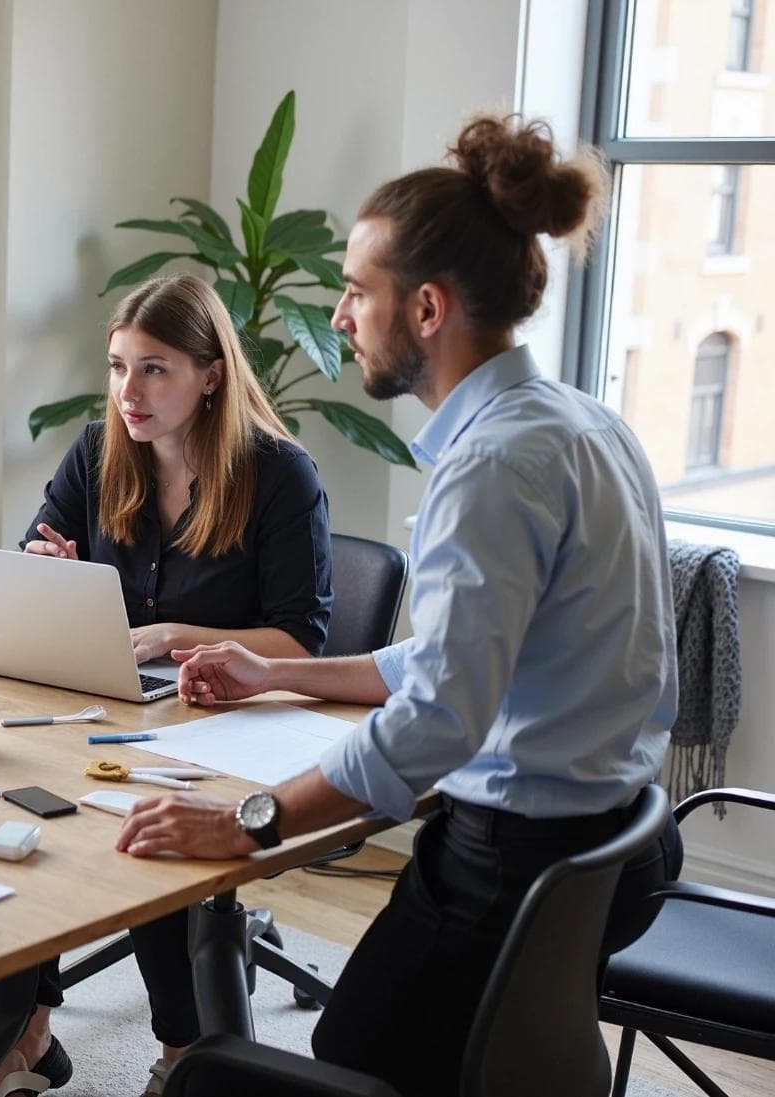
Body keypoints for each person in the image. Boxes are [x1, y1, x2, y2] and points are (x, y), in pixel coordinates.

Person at [122, 114, 683, 1097]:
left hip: (513, 868)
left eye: (356, 289)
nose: (338, 314)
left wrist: (251, 820)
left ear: (426, 307)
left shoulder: (495, 465)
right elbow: (455, 659)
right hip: (615, 850)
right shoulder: (584, 422)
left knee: (340, 1059)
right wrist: (277, 671)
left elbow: (437, 719)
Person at [4, 274, 333, 1096]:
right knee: (16, 795)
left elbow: (300, 638)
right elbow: (32, 555)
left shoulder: (279, 476)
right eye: (118, 367)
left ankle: (185, 1050)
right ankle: (28, 1022)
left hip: (229, 724)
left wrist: (181, 635)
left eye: (154, 369)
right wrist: (46, 571)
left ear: (210, 373)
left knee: (145, 822)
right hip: (110, 707)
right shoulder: (96, 452)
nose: (129, 391)